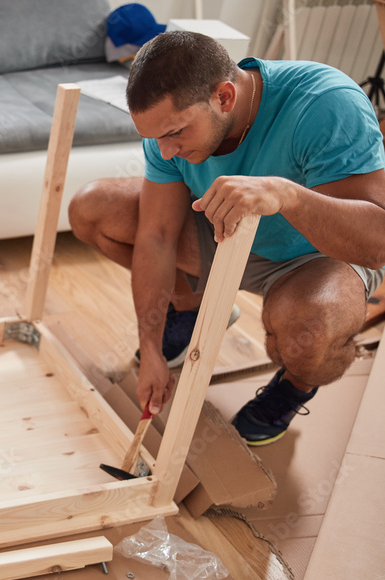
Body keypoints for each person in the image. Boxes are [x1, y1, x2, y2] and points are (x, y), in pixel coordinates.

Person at [69, 31, 385, 446]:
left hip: (318, 255)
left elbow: (376, 243)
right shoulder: (168, 131)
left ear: (224, 97)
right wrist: (151, 347)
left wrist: (286, 195)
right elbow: (157, 236)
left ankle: (293, 387)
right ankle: (189, 307)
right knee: (92, 208)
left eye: (176, 133)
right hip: (226, 233)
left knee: (308, 332)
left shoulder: (325, 103)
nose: (165, 152)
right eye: (154, 138)